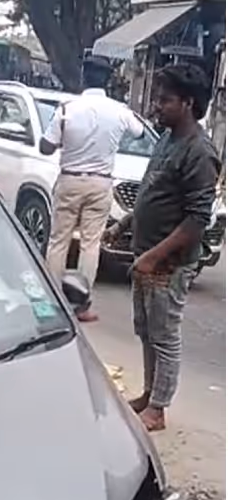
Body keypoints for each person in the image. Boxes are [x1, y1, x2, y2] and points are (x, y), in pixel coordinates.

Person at [105, 64, 220, 432]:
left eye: (165, 100)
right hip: (147, 257)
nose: (156, 106)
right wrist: (123, 224)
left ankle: (158, 408)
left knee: (165, 337)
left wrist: (154, 257)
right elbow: (152, 191)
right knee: (146, 331)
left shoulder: (199, 152)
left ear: (187, 103)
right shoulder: (168, 139)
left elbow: (197, 219)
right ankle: (149, 394)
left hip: (168, 265)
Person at [39, 56, 145, 323]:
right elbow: (140, 132)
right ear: (108, 80)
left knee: (58, 240)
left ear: (84, 76)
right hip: (101, 182)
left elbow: (45, 147)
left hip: (70, 179)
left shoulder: (67, 108)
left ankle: (55, 301)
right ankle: (82, 304)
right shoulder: (119, 110)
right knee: (90, 244)